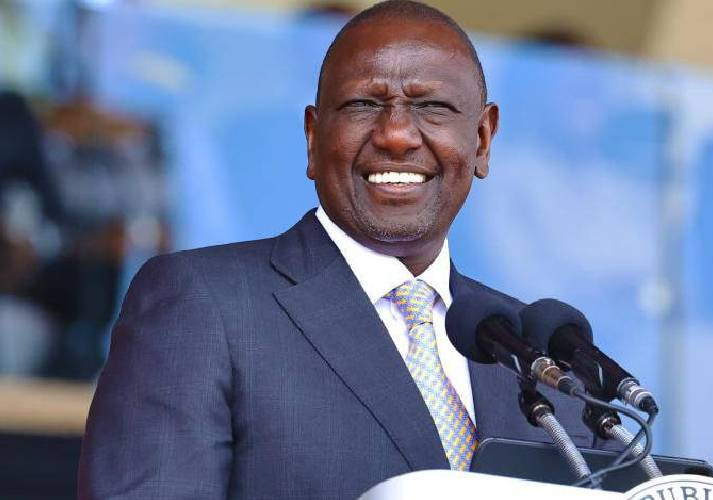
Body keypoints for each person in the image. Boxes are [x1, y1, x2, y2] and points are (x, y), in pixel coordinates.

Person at [78, 2, 602, 498]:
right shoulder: (202, 304)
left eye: (432, 107)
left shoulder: (540, 351)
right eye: (362, 104)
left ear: (483, 140)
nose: (397, 135)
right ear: (313, 137)